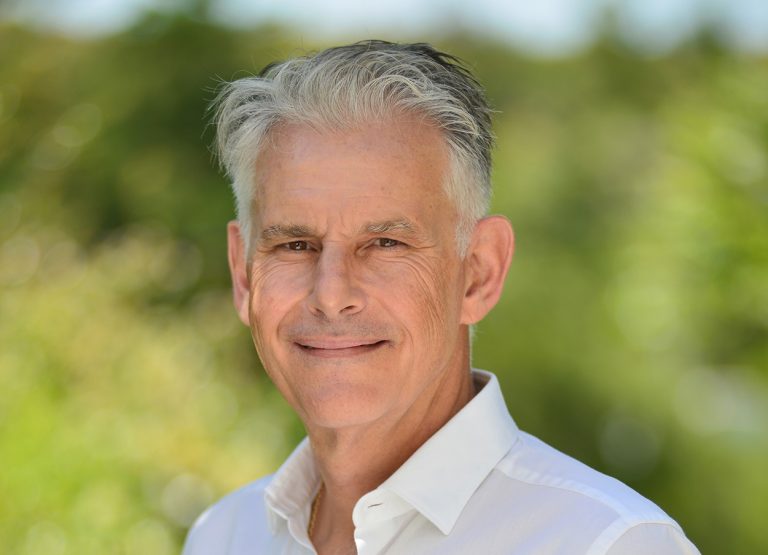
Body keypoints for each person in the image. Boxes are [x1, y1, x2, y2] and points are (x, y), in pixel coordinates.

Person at [182, 41, 699, 555]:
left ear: (479, 273)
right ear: (243, 274)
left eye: (386, 243)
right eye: (295, 245)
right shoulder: (222, 536)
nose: (331, 295)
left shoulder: (606, 543)